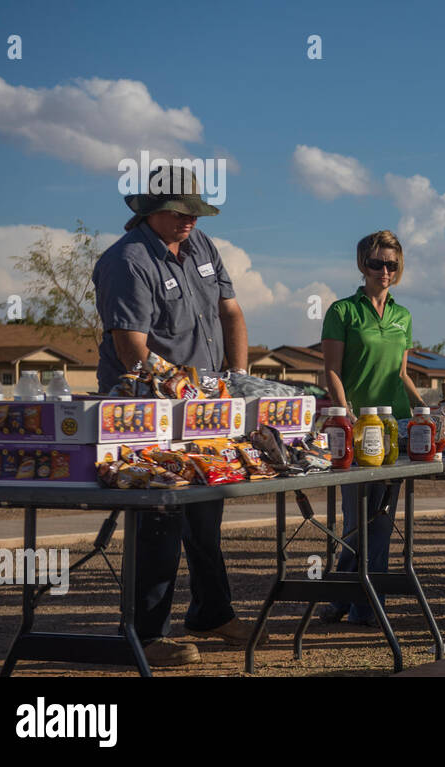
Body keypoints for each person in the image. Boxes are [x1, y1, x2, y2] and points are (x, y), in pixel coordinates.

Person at [93, 166, 256, 667]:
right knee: (160, 517)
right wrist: (179, 392)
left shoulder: (203, 246)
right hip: (146, 411)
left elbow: (231, 313)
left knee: (206, 511)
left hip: (205, 410)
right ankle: (146, 633)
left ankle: (212, 611)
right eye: (180, 211)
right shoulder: (127, 261)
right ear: (150, 211)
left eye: (195, 211)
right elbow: (131, 350)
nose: (190, 220)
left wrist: (238, 377)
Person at [318, 231, 424, 626]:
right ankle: (362, 603)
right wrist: (343, 414)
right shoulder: (342, 312)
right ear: (362, 264)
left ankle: (348, 599)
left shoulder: (403, 316)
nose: (384, 271)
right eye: (377, 263)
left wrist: (424, 408)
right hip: (355, 427)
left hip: (393, 426)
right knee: (358, 516)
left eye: (392, 265)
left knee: (381, 517)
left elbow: (401, 372)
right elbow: (331, 369)